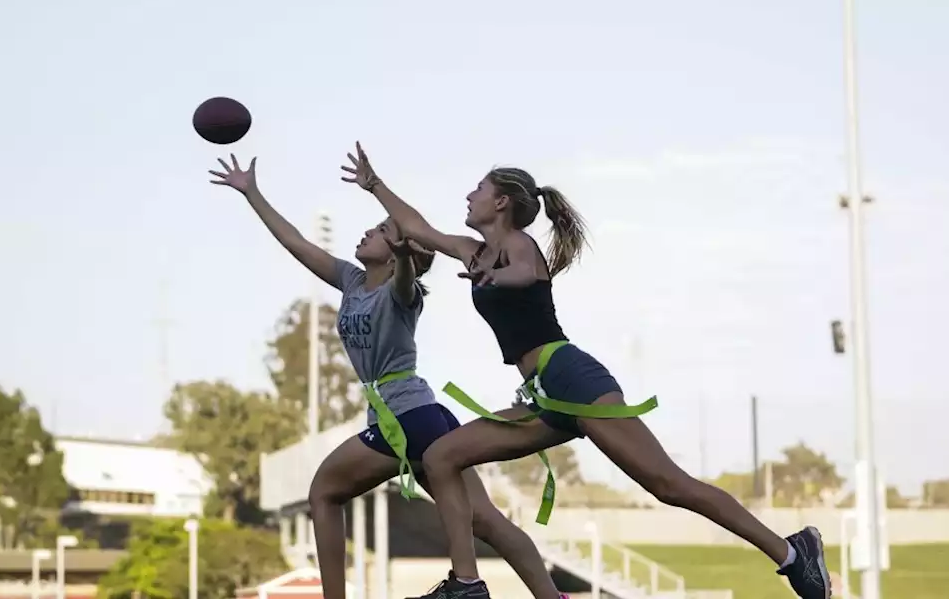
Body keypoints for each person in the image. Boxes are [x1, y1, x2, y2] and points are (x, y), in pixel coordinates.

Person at [340, 142, 832, 599]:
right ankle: (466, 584)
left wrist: (497, 275)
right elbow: (418, 227)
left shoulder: (519, 245)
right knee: (443, 457)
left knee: (669, 485)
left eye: (479, 189)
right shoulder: (474, 252)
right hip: (541, 397)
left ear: (503, 203)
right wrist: (374, 184)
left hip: (573, 379)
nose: (469, 196)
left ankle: (792, 553)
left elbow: (527, 274)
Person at [209, 154, 565, 599]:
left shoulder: (405, 291)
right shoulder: (352, 281)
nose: (368, 232)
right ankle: (552, 597)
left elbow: (403, 279)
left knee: (324, 491)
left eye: (381, 230)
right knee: (484, 520)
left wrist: (403, 262)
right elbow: (298, 244)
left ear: (403, 252)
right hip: (421, 416)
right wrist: (252, 193)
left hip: (407, 416)